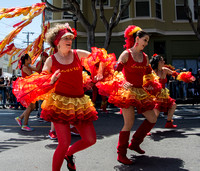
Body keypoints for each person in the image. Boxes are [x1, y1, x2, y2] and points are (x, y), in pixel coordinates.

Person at [13, 23, 102, 171]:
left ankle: (69, 155)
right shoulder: (51, 60)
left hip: (79, 103)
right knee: (64, 142)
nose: (69, 40)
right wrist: (51, 80)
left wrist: (100, 70)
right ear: (57, 42)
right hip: (59, 103)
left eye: (70, 38)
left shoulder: (77, 53)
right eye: (65, 38)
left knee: (90, 140)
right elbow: (43, 80)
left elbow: (99, 58)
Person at [98, 25, 158, 165]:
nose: (146, 43)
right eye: (145, 40)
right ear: (137, 39)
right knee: (129, 123)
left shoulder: (145, 57)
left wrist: (150, 83)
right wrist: (122, 82)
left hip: (140, 92)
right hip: (126, 92)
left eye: (148, 41)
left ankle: (135, 143)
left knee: (152, 118)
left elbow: (149, 74)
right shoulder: (126, 54)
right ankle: (121, 153)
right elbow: (115, 72)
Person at [14, 53, 42, 131]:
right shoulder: (25, 68)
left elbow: (37, 69)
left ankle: (20, 118)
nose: (31, 60)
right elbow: (32, 76)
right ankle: (25, 125)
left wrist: (41, 60)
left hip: (30, 88)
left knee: (32, 107)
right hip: (27, 89)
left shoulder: (28, 66)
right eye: (30, 59)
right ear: (26, 60)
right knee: (30, 107)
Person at [150, 54, 177, 128]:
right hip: (155, 95)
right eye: (162, 60)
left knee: (173, 105)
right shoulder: (152, 72)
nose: (164, 61)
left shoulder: (165, 70)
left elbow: (175, 73)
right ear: (158, 62)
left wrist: (185, 77)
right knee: (156, 113)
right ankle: (147, 128)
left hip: (164, 94)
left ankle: (169, 122)